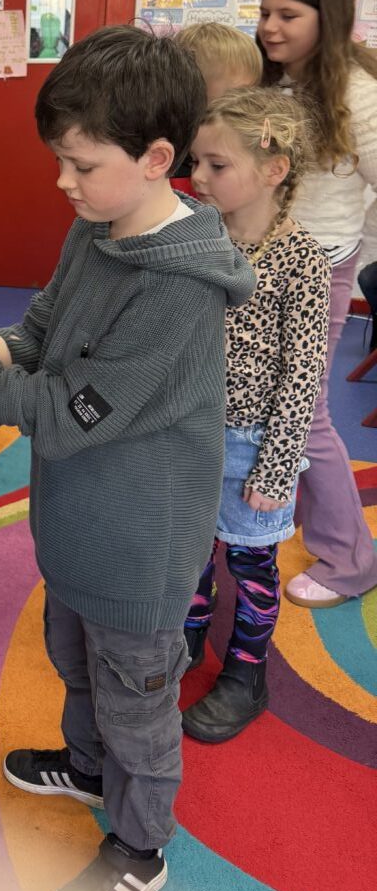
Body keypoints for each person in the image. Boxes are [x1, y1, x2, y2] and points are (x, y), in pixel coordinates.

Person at [0, 26, 254, 891]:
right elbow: (37, 336)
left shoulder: (178, 289)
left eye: (80, 165)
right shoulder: (98, 227)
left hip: (139, 548)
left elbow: (64, 408)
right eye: (60, 161)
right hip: (80, 524)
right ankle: (87, 771)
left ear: (156, 158)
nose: (62, 182)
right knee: (75, 662)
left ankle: (138, 844)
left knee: (135, 702)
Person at [183, 89, 330, 743]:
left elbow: (302, 376)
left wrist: (275, 468)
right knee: (189, 549)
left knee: (249, 564)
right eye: (195, 162)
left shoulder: (301, 260)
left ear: (273, 169)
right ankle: (188, 636)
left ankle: (246, 671)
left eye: (216, 165)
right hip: (188, 430)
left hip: (252, 445)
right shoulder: (197, 236)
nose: (197, 177)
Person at [258, 0, 377, 608]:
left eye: (287, 15)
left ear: (325, 18)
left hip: (319, 269)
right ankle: (301, 516)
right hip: (259, 264)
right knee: (265, 401)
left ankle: (350, 558)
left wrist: (353, 246)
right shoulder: (274, 83)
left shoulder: (357, 95)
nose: (270, 27)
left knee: (302, 414)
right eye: (264, 13)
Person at [171, 21, 263, 194]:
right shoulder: (167, 163)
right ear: (191, 93)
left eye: (253, 92)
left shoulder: (248, 143)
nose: (249, 104)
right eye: (237, 95)